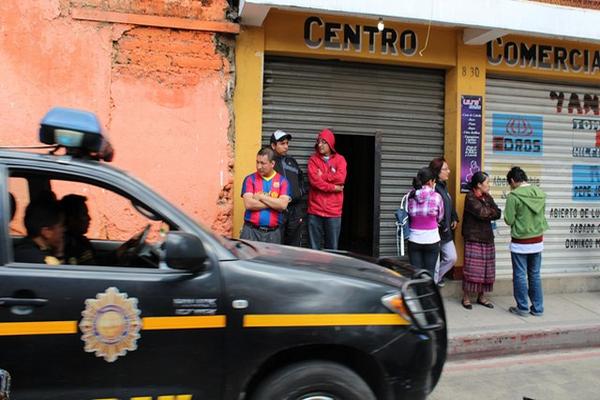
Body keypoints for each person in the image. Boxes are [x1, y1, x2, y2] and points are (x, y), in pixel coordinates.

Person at [504, 166, 548, 317]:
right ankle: (538, 308)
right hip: (537, 240)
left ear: (512, 181)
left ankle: (522, 308)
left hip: (520, 242)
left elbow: (509, 220)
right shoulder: (540, 194)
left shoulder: (513, 196)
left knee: (520, 275)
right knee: (535, 274)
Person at [461, 171, 501, 310]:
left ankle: (481, 297)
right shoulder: (470, 197)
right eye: (487, 182)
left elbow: (498, 212)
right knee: (471, 269)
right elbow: (482, 213)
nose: (488, 185)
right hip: (473, 237)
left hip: (487, 237)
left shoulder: (487, 197)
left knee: (486, 269)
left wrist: (490, 211)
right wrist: (490, 211)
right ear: (478, 184)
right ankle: (466, 297)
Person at [307, 128, 347, 250]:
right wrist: (334, 188)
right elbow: (315, 182)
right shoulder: (313, 160)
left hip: (333, 212)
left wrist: (323, 176)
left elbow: (341, 178)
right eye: (319, 142)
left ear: (330, 143)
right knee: (314, 249)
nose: (320, 145)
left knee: (332, 248)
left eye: (324, 142)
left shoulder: (340, 160)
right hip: (315, 210)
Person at [240, 147, 291, 243]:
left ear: (272, 164)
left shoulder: (282, 181)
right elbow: (249, 204)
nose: (259, 166)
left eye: (263, 163)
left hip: (273, 234)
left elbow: (283, 205)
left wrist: (261, 197)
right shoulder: (250, 179)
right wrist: (274, 202)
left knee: (271, 259)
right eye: (257, 162)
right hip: (250, 232)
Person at [270, 129, 308, 246]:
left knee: (294, 247)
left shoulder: (292, 162)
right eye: (282, 144)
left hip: (295, 211)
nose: (286, 146)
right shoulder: (269, 164)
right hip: (278, 211)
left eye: (287, 143)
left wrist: (298, 195)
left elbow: (302, 182)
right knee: (277, 246)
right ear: (273, 145)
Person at [407, 167, 444, 276]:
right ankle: (427, 293)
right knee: (429, 274)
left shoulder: (410, 196)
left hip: (414, 239)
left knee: (415, 273)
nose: (435, 183)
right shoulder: (437, 197)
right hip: (432, 240)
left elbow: (407, 214)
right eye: (434, 181)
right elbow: (440, 217)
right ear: (430, 182)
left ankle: (416, 293)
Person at [429, 157, 459, 285]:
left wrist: (454, 217)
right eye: (445, 169)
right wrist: (441, 224)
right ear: (437, 172)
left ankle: (436, 279)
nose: (449, 171)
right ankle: (432, 287)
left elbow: (448, 204)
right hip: (436, 232)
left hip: (446, 233)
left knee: (452, 258)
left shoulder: (443, 187)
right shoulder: (433, 188)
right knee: (434, 263)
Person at [14, 198, 65, 265]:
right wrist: (59, 254)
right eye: (61, 226)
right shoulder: (44, 261)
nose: (64, 229)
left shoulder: (22, 248)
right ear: (47, 232)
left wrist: (58, 252)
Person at [60, 194, 96, 265]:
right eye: (84, 214)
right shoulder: (66, 246)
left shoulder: (80, 240)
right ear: (72, 219)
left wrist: (115, 255)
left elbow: (96, 262)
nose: (89, 218)